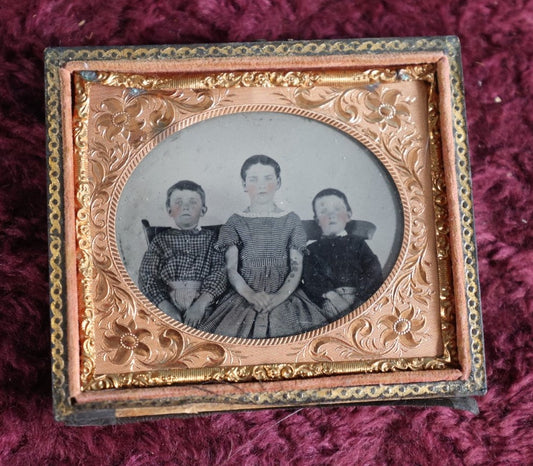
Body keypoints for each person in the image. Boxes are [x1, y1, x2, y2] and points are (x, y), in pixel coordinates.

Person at [200, 155, 328, 339]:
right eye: (253, 179)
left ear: (278, 182)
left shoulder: (291, 220)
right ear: (244, 185)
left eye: (268, 178)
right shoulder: (235, 221)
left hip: (285, 294)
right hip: (244, 296)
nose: (261, 185)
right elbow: (231, 269)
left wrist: (278, 297)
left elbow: (296, 267)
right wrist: (251, 295)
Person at [138, 180, 227, 326]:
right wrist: (166, 307)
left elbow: (220, 272)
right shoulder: (161, 240)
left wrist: (201, 304)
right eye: (178, 202)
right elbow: (147, 276)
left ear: (203, 210)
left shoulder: (213, 239)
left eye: (193, 202)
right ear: (169, 210)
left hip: (204, 303)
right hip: (166, 302)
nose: (186, 207)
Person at [302, 188, 383, 321]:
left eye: (337, 209)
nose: (331, 215)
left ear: (348, 215)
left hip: (359, 296)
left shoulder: (357, 243)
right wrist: (332, 296)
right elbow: (311, 278)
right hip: (328, 299)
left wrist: (360, 299)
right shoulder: (311, 249)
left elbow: (372, 270)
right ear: (317, 220)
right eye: (323, 212)